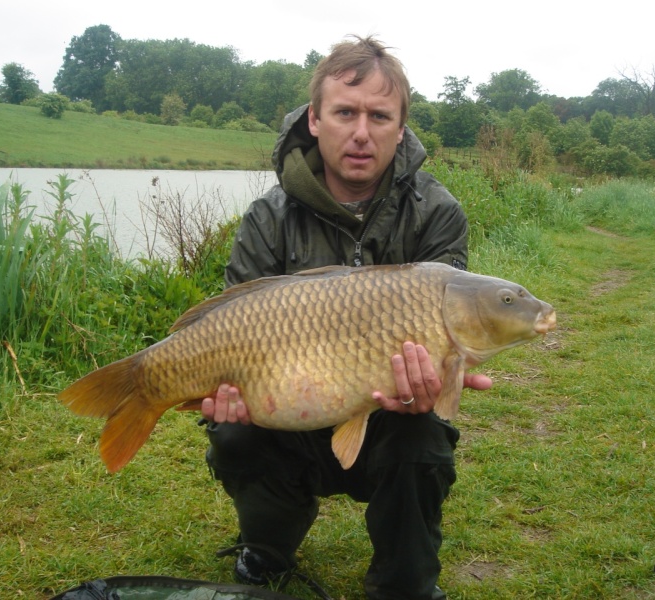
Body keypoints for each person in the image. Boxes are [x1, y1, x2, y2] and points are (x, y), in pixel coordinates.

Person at [200, 35, 492, 600]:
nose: (362, 132)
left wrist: (437, 379)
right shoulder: (269, 216)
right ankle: (268, 544)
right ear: (314, 120)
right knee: (232, 431)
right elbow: (232, 321)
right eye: (345, 112)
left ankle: (404, 578)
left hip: (389, 417)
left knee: (422, 437)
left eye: (380, 116)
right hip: (284, 410)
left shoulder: (436, 212)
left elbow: (448, 318)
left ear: (401, 127)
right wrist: (223, 390)